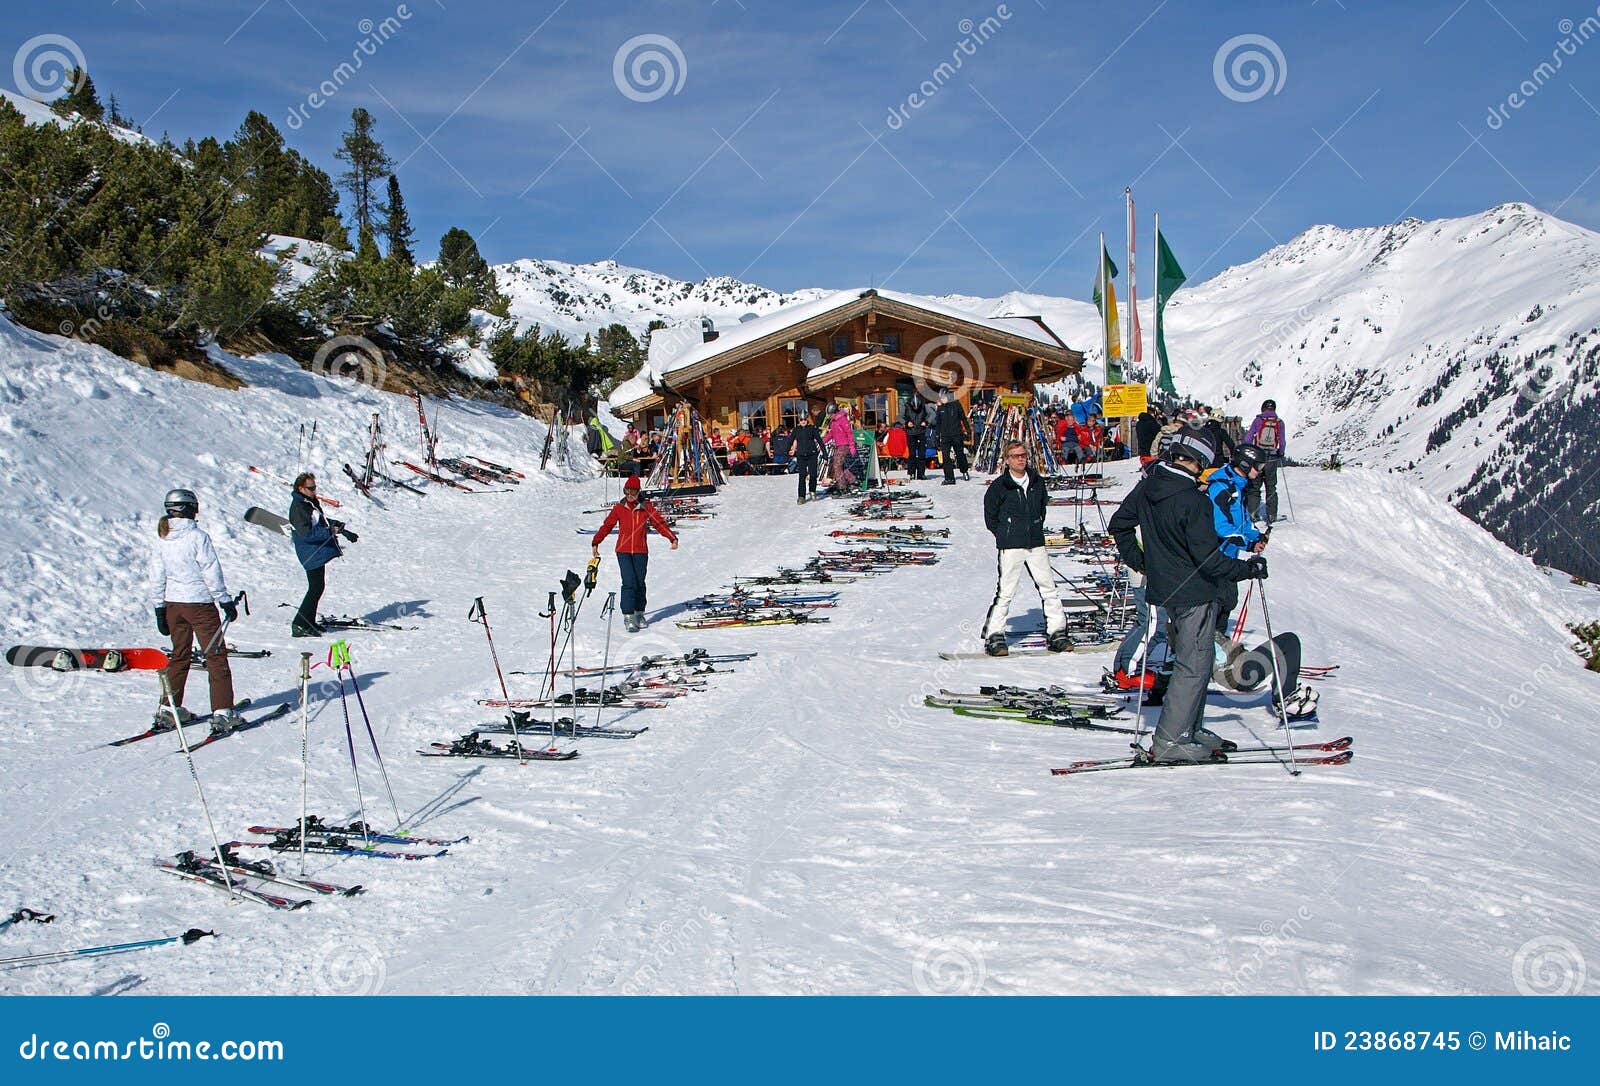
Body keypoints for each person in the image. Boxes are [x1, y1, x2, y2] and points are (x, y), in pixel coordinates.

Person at [1108, 423, 1263, 763]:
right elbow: (1210, 560)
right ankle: (1171, 740)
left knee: (1196, 659)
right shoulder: (1194, 500)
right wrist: (1248, 568)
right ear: (1196, 460)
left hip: (1167, 589)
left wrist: (1144, 562)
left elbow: (1118, 524)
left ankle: (1189, 728)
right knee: (1193, 665)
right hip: (1194, 594)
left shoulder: (1149, 487)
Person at [149, 488, 241, 735]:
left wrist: (159, 608)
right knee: (215, 655)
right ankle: (223, 712)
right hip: (199, 605)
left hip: (173, 605)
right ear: (189, 509)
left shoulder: (163, 538)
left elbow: (156, 575)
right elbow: (210, 570)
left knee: (179, 656)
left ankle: (168, 709)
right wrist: (225, 600)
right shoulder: (197, 537)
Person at [981, 442, 1070, 655]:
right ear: (1007, 460)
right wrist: (1005, 533)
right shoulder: (999, 487)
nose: (1020, 459)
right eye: (1015, 456)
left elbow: (1042, 508)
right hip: (1011, 546)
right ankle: (995, 635)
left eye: (1023, 455)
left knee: (1049, 588)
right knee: (1006, 592)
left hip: (1036, 543)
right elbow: (991, 517)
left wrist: (1036, 525)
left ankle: (1057, 632)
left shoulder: (1037, 482)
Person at [591, 475, 678, 631]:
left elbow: (659, 523)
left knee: (639, 582)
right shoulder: (619, 508)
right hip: (623, 551)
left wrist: (671, 538)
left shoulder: (646, 507)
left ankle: (639, 613)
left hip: (640, 551)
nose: (630, 496)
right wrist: (596, 541)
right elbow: (607, 525)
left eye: (633, 492)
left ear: (638, 492)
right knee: (629, 581)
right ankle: (628, 616)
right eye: (627, 492)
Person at [1206, 444, 1268, 641]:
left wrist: (1255, 536)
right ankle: (1206, 648)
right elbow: (1220, 526)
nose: (1259, 471)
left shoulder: (1238, 484)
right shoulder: (1222, 485)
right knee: (1216, 604)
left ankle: (1218, 645)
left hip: (1230, 555)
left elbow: (1241, 520)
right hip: (1216, 556)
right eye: (1257, 466)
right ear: (1245, 463)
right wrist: (1247, 545)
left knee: (1228, 601)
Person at [289, 472, 355, 637]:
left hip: (316, 551)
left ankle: (308, 622)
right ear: (301, 488)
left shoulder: (309, 502)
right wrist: (329, 531)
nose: (314, 491)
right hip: (309, 552)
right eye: (310, 488)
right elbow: (307, 534)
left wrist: (339, 527)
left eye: (315, 487)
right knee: (315, 587)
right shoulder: (299, 507)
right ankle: (299, 624)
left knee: (317, 587)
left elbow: (320, 521)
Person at [1244, 399, 1287, 523]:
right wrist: (1280, 452)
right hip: (1272, 458)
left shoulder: (1258, 420)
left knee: (1254, 487)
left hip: (1258, 457)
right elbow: (1282, 441)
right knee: (1271, 487)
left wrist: (1250, 451)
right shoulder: (1279, 422)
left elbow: (1248, 438)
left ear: (1263, 408)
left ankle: (1252, 514)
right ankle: (1272, 515)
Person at [934, 389, 970, 485]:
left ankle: (964, 470)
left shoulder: (956, 405)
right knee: (945, 457)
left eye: (944, 397)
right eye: (941, 398)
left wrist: (968, 431)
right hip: (945, 436)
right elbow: (938, 423)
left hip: (956, 434)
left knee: (960, 455)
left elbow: (963, 419)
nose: (942, 399)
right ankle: (949, 478)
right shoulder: (940, 408)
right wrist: (937, 436)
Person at [827, 403, 857, 491]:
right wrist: (822, 441)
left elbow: (849, 433)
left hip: (844, 445)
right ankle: (852, 481)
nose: (830, 416)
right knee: (841, 465)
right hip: (839, 446)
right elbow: (832, 433)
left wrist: (852, 446)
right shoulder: (834, 421)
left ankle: (842, 486)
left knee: (836, 465)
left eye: (831, 414)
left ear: (835, 412)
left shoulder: (842, 419)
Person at [793, 410, 821, 502]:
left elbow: (819, 440)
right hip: (801, 455)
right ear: (799, 420)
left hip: (812, 455)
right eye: (801, 420)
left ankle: (812, 490)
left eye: (804, 419)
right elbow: (790, 440)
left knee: (813, 475)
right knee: (802, 476)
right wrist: (786, 450)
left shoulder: (812, 429)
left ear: (807, 419)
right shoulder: (796, 430)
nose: (803, 421)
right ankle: (801, 496)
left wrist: (824, 453)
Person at [905, 406, 929, 480]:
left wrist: (926, 421)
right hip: (911, 433)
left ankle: (921, 474)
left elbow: (931, 414)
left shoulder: (924, 406)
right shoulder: (907, 406)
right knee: (912, 454)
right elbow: (900, 416)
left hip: (921, 432)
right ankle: (911, 473)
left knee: (922, 454)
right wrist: (906, 423)